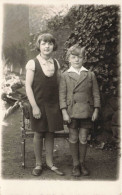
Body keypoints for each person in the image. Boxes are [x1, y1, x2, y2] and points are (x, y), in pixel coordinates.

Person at [26, 33, 64, 176]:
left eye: (49, 43)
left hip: (53, 104)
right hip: (39, 104)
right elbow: (28, 86)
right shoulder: (32, 63)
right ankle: (38, 164)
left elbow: (59, 84)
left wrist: (61, 105)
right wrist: (34, 106)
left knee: (50, 133)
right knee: (39, 133)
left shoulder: (56, 63)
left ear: (53, 46)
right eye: (43, 43)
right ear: (39, 46)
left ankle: (50, 163)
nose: (47, 46)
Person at [59, 44, 100, 177]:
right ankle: (75, 164)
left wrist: (96, 110)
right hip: (72, 111)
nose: (76, 60)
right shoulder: (65, 75)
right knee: (73, 137)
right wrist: (64, 111)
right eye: (73, 57)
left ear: (84, 59)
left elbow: (96, 94)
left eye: (79, 57)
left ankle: (82, 163)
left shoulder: (90, 74)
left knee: (83, 138)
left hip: (86, 111)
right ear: (68, 59)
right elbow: (62, 95)